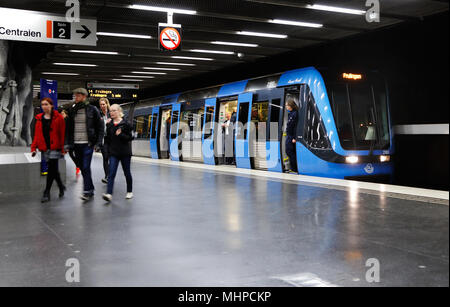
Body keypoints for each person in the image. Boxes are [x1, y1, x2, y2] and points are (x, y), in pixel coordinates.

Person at [65, 88, 104, 201]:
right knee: (83, 168)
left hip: (88, 144)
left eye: (77, 96)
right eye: (75, 95)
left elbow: (100, 127)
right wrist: (67, 143)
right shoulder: (72, 110)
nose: (75, 98)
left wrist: (98, 143)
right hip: (76, 145)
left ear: (84, 97)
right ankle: (90, 188)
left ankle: (87, 191)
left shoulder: (93, 110)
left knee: (86, 166)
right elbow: (68, 129)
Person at [31, 98, 66, 203]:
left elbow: (62, 134)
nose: (44, 106)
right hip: (44, 148)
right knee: (54, 170)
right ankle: (61, 186)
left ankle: (46, 192)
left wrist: (63, 148)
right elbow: (36, 135)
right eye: (42, 104)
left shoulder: (59, 118)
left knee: (51, 169)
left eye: (46, 104)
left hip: (55, 147)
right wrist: (33, 148)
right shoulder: (39, 119)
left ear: (51, 105)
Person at [102, 104, 134, 202]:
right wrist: (106, 151)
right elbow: (107, 139)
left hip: (125, 153)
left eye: (114, 111)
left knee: (127, 173)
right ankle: (109, 194)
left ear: (119, 111)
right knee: (111, 173)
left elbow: (131, 137)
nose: (111, 113)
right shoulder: (109, 124)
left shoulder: (126, 124)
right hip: (113, 153)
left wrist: (121, 135)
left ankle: (129, 191)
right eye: (110, 111)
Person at [61, 109, 80, 175]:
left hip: (70, 141)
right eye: (61, 114)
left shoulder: (67, 120)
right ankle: (78, 165)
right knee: (71, 154)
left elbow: (68, 132)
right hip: (68, 141)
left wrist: (66, 143)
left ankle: (78, 166)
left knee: (71, 154)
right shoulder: (63, 121)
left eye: (63, 113)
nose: (62, 115)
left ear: (66, 114)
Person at [99, 98, 111, 184]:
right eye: (101, 104)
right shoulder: (98, 114)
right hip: (103, 139)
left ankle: (110, 175)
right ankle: (107, 176)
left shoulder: (111, 113)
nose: (102, 106)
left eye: (104, 104)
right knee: (105, 157)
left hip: (111, 139)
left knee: (112, 158)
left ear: (107, 104)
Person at [285, 99, 299, 173]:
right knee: (289, 151)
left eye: (287, 105)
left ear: (291, 106)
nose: (286, 107)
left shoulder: (295, 114)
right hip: (289, 135)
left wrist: (294, 137)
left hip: (291, 136)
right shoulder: (290, 113)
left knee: (290, 151)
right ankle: (293, 168)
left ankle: (294, 169)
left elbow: (295, 126)